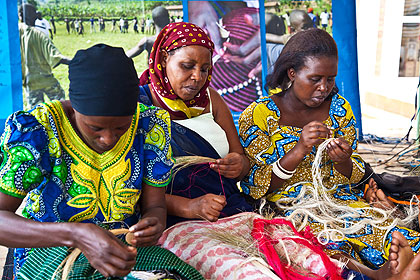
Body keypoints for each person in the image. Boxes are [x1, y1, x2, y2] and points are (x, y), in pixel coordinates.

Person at [0, 44, 204, 279]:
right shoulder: (38, 131)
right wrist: (76, 235)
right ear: (74, 108)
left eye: (121, 128)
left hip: (122, 250)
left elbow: (154, 206)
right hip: (48, 255)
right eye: (94, 128)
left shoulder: (149, 126)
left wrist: (152, 224)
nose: (108, 139)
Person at [239, 28, 420, 279]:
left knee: (380, 228)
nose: (324, 87)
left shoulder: (339, 109)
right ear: (292, 73)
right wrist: (299, 149)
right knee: (326, 239)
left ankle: (402, 263)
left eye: (330, 79)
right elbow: (256, 186)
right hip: (291, 209)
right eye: (315, 78)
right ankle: (377, 274)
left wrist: (344, 161)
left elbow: (354, 174)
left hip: (341, 201)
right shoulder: (259, 115)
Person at [137, 22, 252, 227]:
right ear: (164, 58)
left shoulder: (211, 99)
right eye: (187, 66)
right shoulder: (141, 106)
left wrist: (238, 165)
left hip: (230, 211)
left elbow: (242, 161)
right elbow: (133, 189)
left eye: (205, 69)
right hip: (174, 223)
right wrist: (190, 207)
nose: (197, 77)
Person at [19, 4, 70, 109]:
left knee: (35, 112)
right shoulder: (39, 35)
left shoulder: (14, 34)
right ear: (34, 15)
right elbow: (56, 57)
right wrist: (79, 60)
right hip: (45, 79)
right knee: (60, 104)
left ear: (20, 16)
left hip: (29, 81)